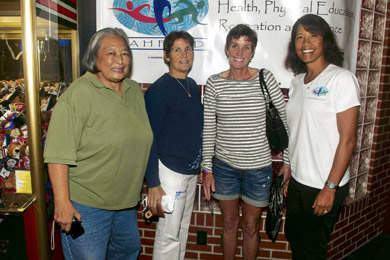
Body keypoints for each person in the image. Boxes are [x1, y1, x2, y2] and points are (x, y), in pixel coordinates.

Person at [44, 27, 153, 259]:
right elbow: (56, 154)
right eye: (111, 53)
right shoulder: (78, 95)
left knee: (127, 254)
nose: (119, 60)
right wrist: (62, 202)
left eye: (124, 53)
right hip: (86, 207)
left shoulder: (134, 91)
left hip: (125, 206)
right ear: (94, 58)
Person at [202, 24, 290, 259]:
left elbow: (284, 121)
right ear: (227, 49)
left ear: (252, 52)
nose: (239, 52)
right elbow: (209, 128)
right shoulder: (214, 84)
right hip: (224, 168)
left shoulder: (265, 78)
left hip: (258, 170)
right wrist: (207, 169)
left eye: (246, 47)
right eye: (235, 46)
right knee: (229, 224)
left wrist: (287, 163)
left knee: (251, 227)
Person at [284, 14, 360, 260]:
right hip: (298, 181)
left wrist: (330, 187)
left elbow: (348, 140)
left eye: (313, 35)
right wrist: (287, 167)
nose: (306, 42)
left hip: (324, 182)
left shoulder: (341, 79)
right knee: (296, 240)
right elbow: (296, 132)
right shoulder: (296, 83)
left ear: (325, 40)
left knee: (313, 250)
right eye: (300, 37)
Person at [144, 31, 203, 260]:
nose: (184, 54)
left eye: (188, 49)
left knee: (182, 229)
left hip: (188, 172)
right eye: (177, 49)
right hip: (169, 173)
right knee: (169, 234)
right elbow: (150, 137)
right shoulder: (159, 90)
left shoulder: (191, 85)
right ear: (167, 56)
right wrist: (154, 182)